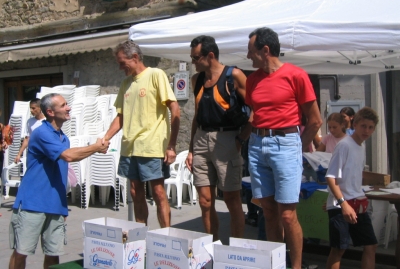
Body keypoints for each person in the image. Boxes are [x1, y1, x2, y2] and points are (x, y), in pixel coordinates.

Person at [244, 27, 322, 269]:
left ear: (265, 50)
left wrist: (295, 149)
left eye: (251, 51)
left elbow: (315, 120)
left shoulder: (296, 75)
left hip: (286, 144)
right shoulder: (253, 80)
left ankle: (296, 266)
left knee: (288, 215)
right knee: (268, 212)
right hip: (257, 146)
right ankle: (276, 265)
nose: (248, 57)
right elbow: (255, 113)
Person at [9, 93, 110, 269]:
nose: (68, 108)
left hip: (55, 204)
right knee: (21, 252)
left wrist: (62, 205)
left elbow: (63, 167)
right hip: (32, 204)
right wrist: (95, 147)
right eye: (63, 105)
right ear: (50, 111)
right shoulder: (41, 133)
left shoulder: (64, 137)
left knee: (53, 254)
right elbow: (68, 156)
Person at [102, 40, 180, 228]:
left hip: (152, 146)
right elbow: (120, 117)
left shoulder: (156, 74)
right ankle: (140, 238)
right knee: (136, 193)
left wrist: (171, 145)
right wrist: (105, 138)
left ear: (135, 57)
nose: (121, 68)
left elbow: (175, 108)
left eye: (122, 63)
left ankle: (165, 237)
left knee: (158, 193)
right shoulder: (126, 84)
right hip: (129, 148)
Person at [185, 35, 247, 241]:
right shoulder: (197, 80)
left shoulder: (234, 75)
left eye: (195, 58)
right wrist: (191, 149)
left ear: (210, 55)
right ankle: (212, 247)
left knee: (231, 198)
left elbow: (257, 110)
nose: (193, 62)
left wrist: (240, 139)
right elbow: (196, 116)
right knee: (204, 201)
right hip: (201, 139)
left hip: (227, 139)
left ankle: (236, 251)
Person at [325, 107, 378, 269]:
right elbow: (331, 176)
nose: (366, 131)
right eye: (363, 126)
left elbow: (353, 174)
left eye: (370, 127)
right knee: (339, 249)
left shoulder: (361, 147)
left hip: (357, 201)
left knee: (371, 245)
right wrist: (342, 203)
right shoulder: (344, 145)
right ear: (354, 124)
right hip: (343, 204)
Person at [14, 98, 45, 163]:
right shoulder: (30, 121)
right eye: (30, 108)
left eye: (33, 108)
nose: (31, 110)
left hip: (45, 153)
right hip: (33, 153)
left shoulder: (47, 121)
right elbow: (27, 139)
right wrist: (19, 154)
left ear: (40, 108)